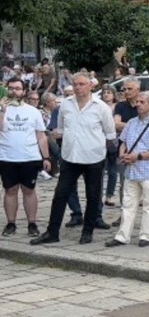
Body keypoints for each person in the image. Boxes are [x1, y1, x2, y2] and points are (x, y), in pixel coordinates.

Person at [31, 72, 115, 246]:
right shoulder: (65, 105)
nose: (78, 87)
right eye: (75, 84)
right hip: (70, 157)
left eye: (82, 84)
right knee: (60, 194)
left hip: (93, 158)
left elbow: (110, 134)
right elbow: (61, 129)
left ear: (91, 86)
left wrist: (100, 152)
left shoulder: (101, 107)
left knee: (93, 196)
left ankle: (87, 232)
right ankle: (52, 232)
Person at [105, 92, 149, 248]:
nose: (138, 104)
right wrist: (122, 155)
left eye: (142, 101)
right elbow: (123, 141)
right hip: (131, 171)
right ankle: (122, 236)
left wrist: (138, 156)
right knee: (127, 204)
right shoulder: (131, 122)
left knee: (148, 205)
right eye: (137, 101)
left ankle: (145, 235)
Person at [0, 78, 51, 237]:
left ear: (24, 91)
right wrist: (2, 110)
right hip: (7, 156)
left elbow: (41, 135)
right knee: (10, 190)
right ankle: (11, 223)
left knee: (29, 190)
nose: (14, 91)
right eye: (11, 88)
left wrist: (46, 157)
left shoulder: (32, 111)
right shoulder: (2, 109)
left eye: (17, 88)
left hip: (29, 157)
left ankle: (32, 223)